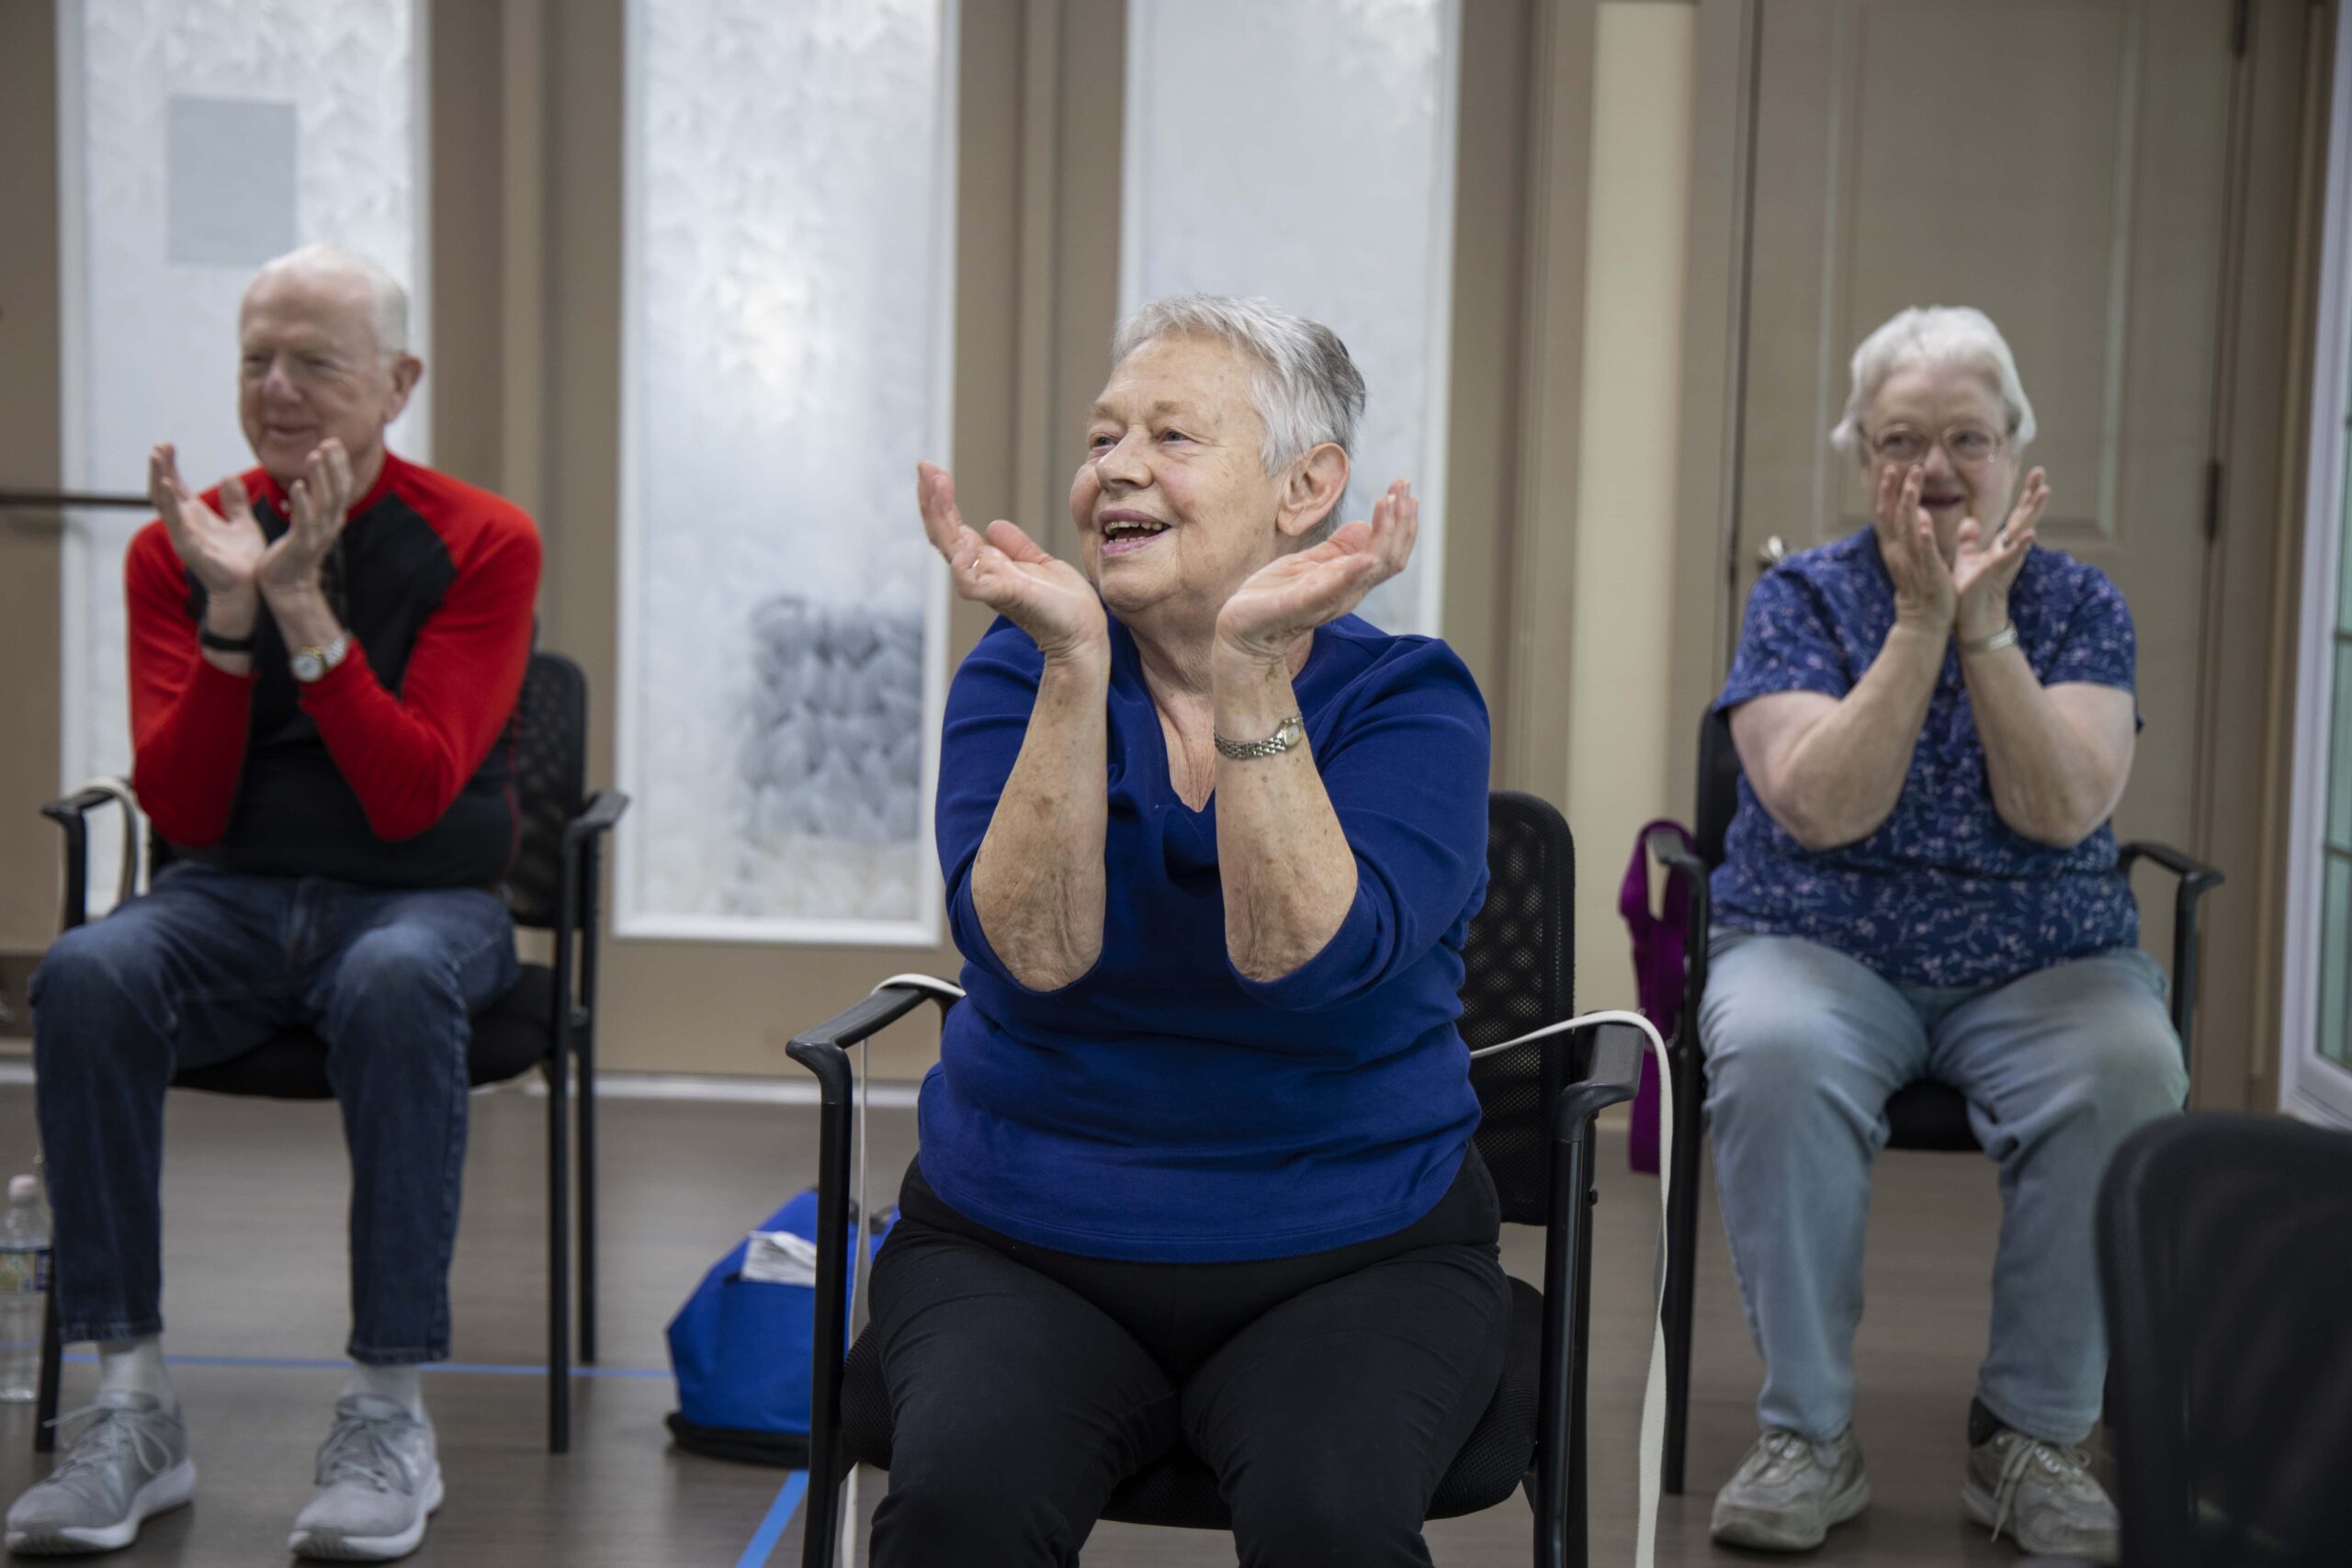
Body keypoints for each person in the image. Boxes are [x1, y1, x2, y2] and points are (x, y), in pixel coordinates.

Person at [872, 295, 1504, 1567]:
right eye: (1104, 437)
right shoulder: (1018, 671)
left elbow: (1303, 958)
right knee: (956, 1516)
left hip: (1350, 1252)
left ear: (1305, 486)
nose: (1115, 468)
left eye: (1170, 436)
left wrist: (1251, 668)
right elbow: (1032, 954)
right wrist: (1068, 670)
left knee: (1333, 1525)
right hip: (1020, 1239)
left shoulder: (1411, 701)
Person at [6, 244, 540, 1562]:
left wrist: (302, 600)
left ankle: (388, 1412)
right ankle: (130, 1409)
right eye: (257, 358)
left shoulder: (483, 541)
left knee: (396, 979)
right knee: (85, 972)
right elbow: (181, 812)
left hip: (423, 904)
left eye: (317, 360)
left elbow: (413, 794)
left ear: (399, 383)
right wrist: (232, 613)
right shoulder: (177, 546)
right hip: (226, 897)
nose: (278, 388)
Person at [1698, 305, 2183, 1559]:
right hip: (1820, 943)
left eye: (1965, 436)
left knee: (2129, 1062)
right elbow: (1816, 811)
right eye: (1899, 437)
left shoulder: (2081, 606)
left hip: (2046, 961)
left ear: (2018, 450)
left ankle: (2036, 1436)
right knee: (1776, 1051)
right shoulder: (1800, 597)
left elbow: (2063, 804)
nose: (1932, 468)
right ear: (1860, 454)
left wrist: (1983, 624)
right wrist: (1918, 625)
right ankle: (1808, 1434)